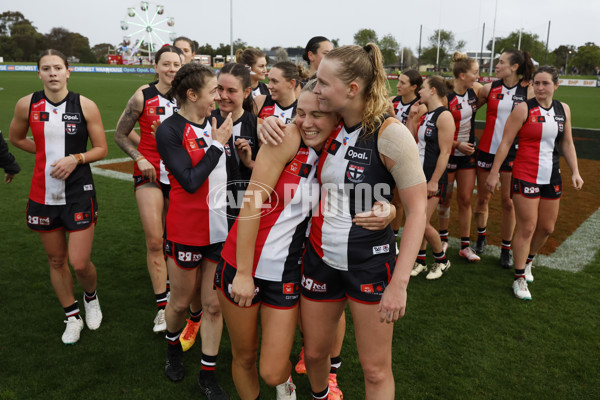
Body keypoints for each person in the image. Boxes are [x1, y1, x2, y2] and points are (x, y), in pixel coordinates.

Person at [304, 44, 426, 400]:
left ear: (352, 89)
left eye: (324, 83)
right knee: (313, 355)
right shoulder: (329, 124)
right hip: (320, 259)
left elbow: (417, 210)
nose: (317, 90)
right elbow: (292, 123)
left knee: (374, 370)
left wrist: (399, 285)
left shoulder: (391, 134)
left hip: (370, 265)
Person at [8, 49, 107, 344]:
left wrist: (74, 158)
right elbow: (15, 138)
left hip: (78, 192)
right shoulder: (26, 104)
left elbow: (100, 148)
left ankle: (91, 297)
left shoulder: (85, 105)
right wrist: (43, 153)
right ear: (38, 73)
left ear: (68, 72)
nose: (52, 73)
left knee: (79, 262)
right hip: (42, 194)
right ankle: (71, 316)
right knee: (56, 260)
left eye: (58, 67)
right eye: (46, 68)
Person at [155, 63, 235, 399]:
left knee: (213, 306)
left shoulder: (217, 125)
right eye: (214, 89)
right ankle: (173, 349)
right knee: (179, 303)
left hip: (219, 230)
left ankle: (207, 374)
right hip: (186, 231)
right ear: (192, 94)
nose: (218, 96)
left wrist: (236, 151)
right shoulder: (169, 130)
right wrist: (217, 146)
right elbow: (189, 182)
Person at [485, 65, 583, 300]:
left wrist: (575, 172)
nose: (539, 87)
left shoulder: (564, 110)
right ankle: (519, 278)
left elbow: (567, 143)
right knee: (527, 227)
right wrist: (494, 173)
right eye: (536, 83)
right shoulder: (522, 109)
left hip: (552, 175)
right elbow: (506, 143)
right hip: (525, 173)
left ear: (556, 85)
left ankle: (528, 261)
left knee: (547, 228)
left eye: (545, 83)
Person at [114, 45, 183, 333]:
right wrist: (139, 157)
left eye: (176, 64)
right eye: (165, 64)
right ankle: (162, 307)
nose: (170, 69)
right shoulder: (142, 96)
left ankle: (181, 298)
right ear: (155, 67)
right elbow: (119, 133)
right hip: (150, 174)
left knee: (176, 241)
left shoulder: (191, 94)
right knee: (155, 240)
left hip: (182, 177)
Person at [475, 50, 535, 268]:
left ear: (515, 67)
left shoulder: (528, 91)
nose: (497, 66)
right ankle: (481, 236)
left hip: (513, 153)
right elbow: (468, 112)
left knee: (508, 203)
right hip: (486, 150)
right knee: (483, 199)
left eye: (501, 62)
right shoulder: (488, 89)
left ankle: (505, 248)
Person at [407, 76, 454, 280]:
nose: (419, 92)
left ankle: (442, 260)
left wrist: (434, 181)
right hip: (419, 175)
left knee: (421, 223)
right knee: (417, 220)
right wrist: (412, 118)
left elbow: (445, 153)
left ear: (433, 90)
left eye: (423, 88)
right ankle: (420, 261)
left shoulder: (444, 116)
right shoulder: (428, 114)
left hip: (432, 178)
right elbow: (412, 141)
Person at [437, 53, 482, 262]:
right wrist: (456, 145)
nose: (478, 76)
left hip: (468, 155)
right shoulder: (446, 96)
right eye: (475, 72)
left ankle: (465, 246)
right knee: (445, 199)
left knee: (465, 199)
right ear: (462, 75)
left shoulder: (475, 91)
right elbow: (437, 130)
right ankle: (442, 238)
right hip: (448, 154)